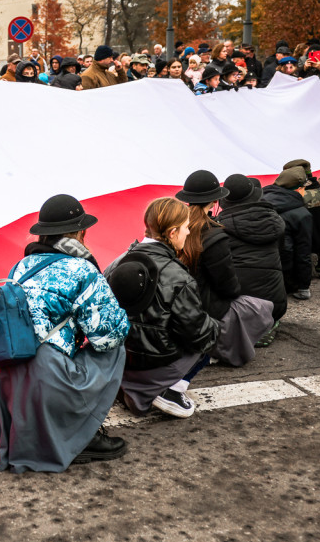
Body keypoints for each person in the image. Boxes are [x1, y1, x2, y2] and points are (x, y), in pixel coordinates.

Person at [0, 194, 130, 473]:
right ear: (80, 232)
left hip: (8, 373)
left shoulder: (20, 267)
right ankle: (82, 435)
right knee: (115, 349)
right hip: (48, 374)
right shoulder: (81, 268)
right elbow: (110, 335)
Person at [109, 197, 219, 418]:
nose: (188, 233)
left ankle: (131, 385)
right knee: (211, 333)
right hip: (155, 361)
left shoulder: (118, 262)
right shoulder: (178, 275)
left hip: (121, 358)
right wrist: (214, 327)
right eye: (186, 228)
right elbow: (196, 333)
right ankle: (170, 391)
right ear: (172, 233)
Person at [176, 170, 274, 366]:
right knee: (261, 307)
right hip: (204, 305)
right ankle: (216, 347)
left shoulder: (175, 227)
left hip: (178, 303)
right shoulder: (214, 236)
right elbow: (228, 287)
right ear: (214, 201)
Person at [216, 174, 287, 329]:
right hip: (274, 306)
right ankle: (264, 326)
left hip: (236, 307)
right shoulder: (276, 221)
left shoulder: (219, 229)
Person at [261, 167, 314, 300]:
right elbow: (303, 252)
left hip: (255, 271)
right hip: (284, 276)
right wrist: (304, 287)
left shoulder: (259, 200)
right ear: (299, 189)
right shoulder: (302, 214)